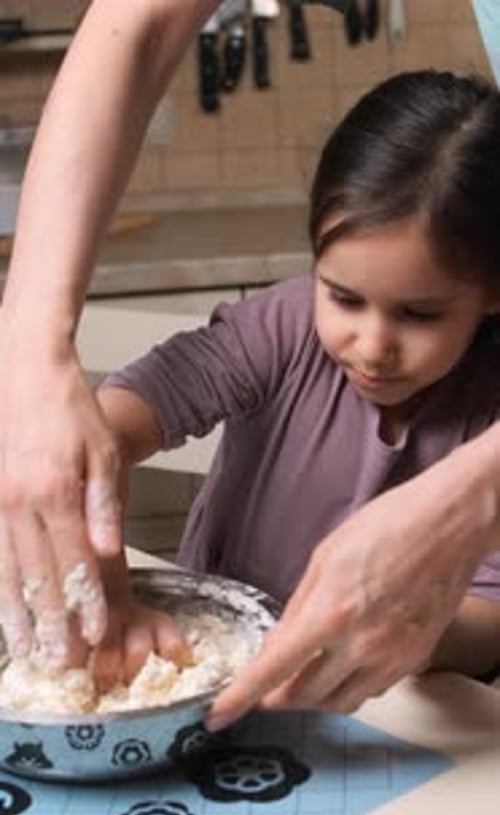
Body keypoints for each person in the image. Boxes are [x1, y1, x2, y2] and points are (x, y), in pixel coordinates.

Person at [1, 0, 500, 723]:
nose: (372, 343)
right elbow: (120, 421)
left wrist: (418, 630)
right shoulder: (285, 327)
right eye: (344, 298)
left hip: (395, 716)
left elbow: (488, 624)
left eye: (420, 315)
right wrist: (77, 486)